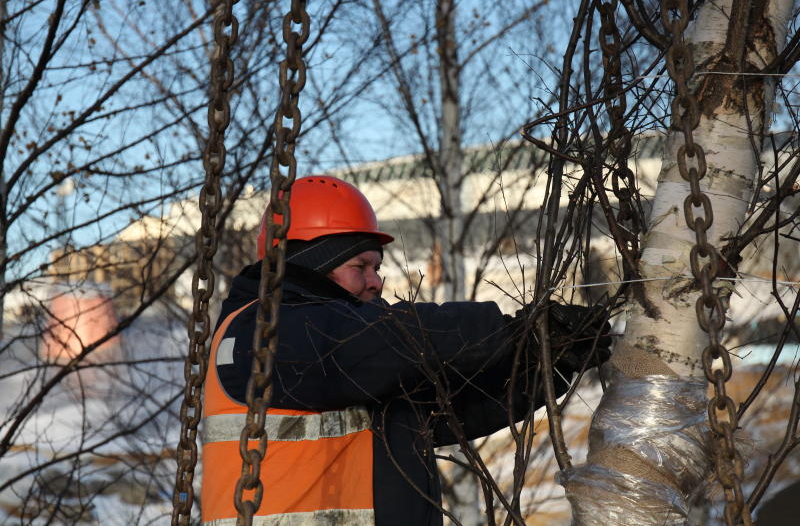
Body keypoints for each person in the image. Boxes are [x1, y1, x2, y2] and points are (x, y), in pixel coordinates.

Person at [200, 175, 610, 526]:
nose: (375, 282)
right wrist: (512, 331)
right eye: (360, 266)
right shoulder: (263, 331)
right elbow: (381, 342)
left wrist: (544, 362)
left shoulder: (359, 366)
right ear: (309, 265)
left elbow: (455, 405)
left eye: (376, 268)